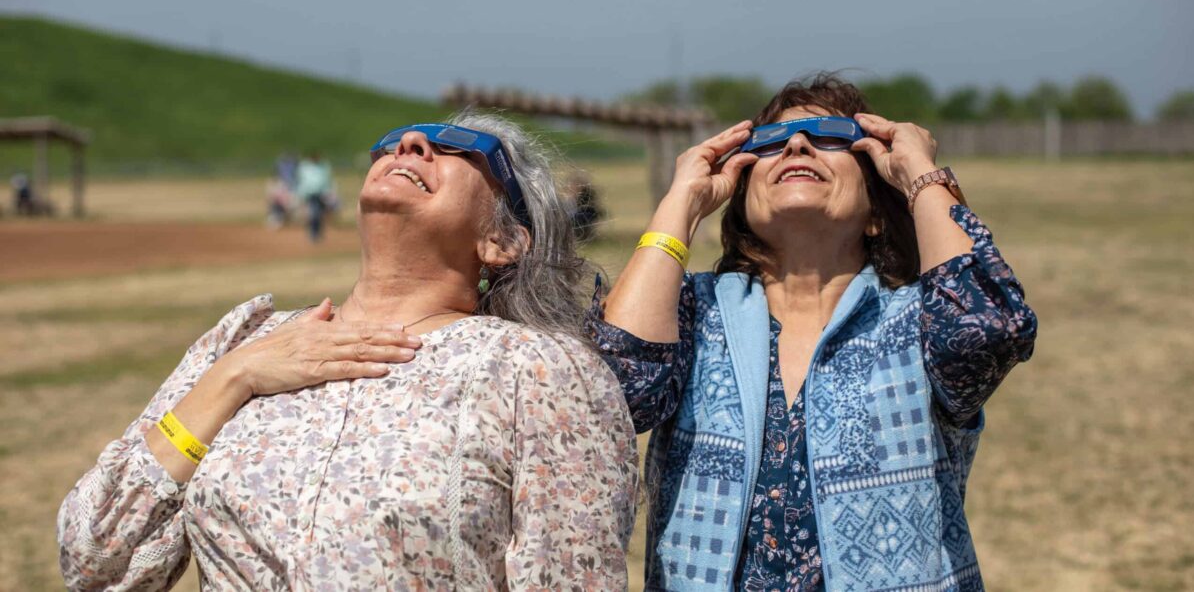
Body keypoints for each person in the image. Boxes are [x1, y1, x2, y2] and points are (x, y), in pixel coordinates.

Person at [58, 113, 638, 590]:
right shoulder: (245, 339)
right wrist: (237, 376)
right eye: (396, 141)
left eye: (462, 147)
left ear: (503, 240)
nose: (408, 143)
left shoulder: (540, 373)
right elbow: (95, 562)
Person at [587, 74, 1037, 591]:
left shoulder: (918, 319)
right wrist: (681, 203)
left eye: (829, 135)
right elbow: (613, 390)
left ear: (874, 212)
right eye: (771, 143)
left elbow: (988, 330)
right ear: (742, 201)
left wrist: (921, 174)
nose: (797, 143)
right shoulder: (692, 310)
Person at [295, 151, 334, 242]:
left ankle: (317, 233)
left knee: (319, 215)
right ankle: (313, 234)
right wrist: (301, 194)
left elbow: (326, 180)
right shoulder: (305, 167)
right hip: (310, 195)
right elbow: (302, 181)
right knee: (313, 215)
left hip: (321, 194)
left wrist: (328, 193)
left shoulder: (323, 167)